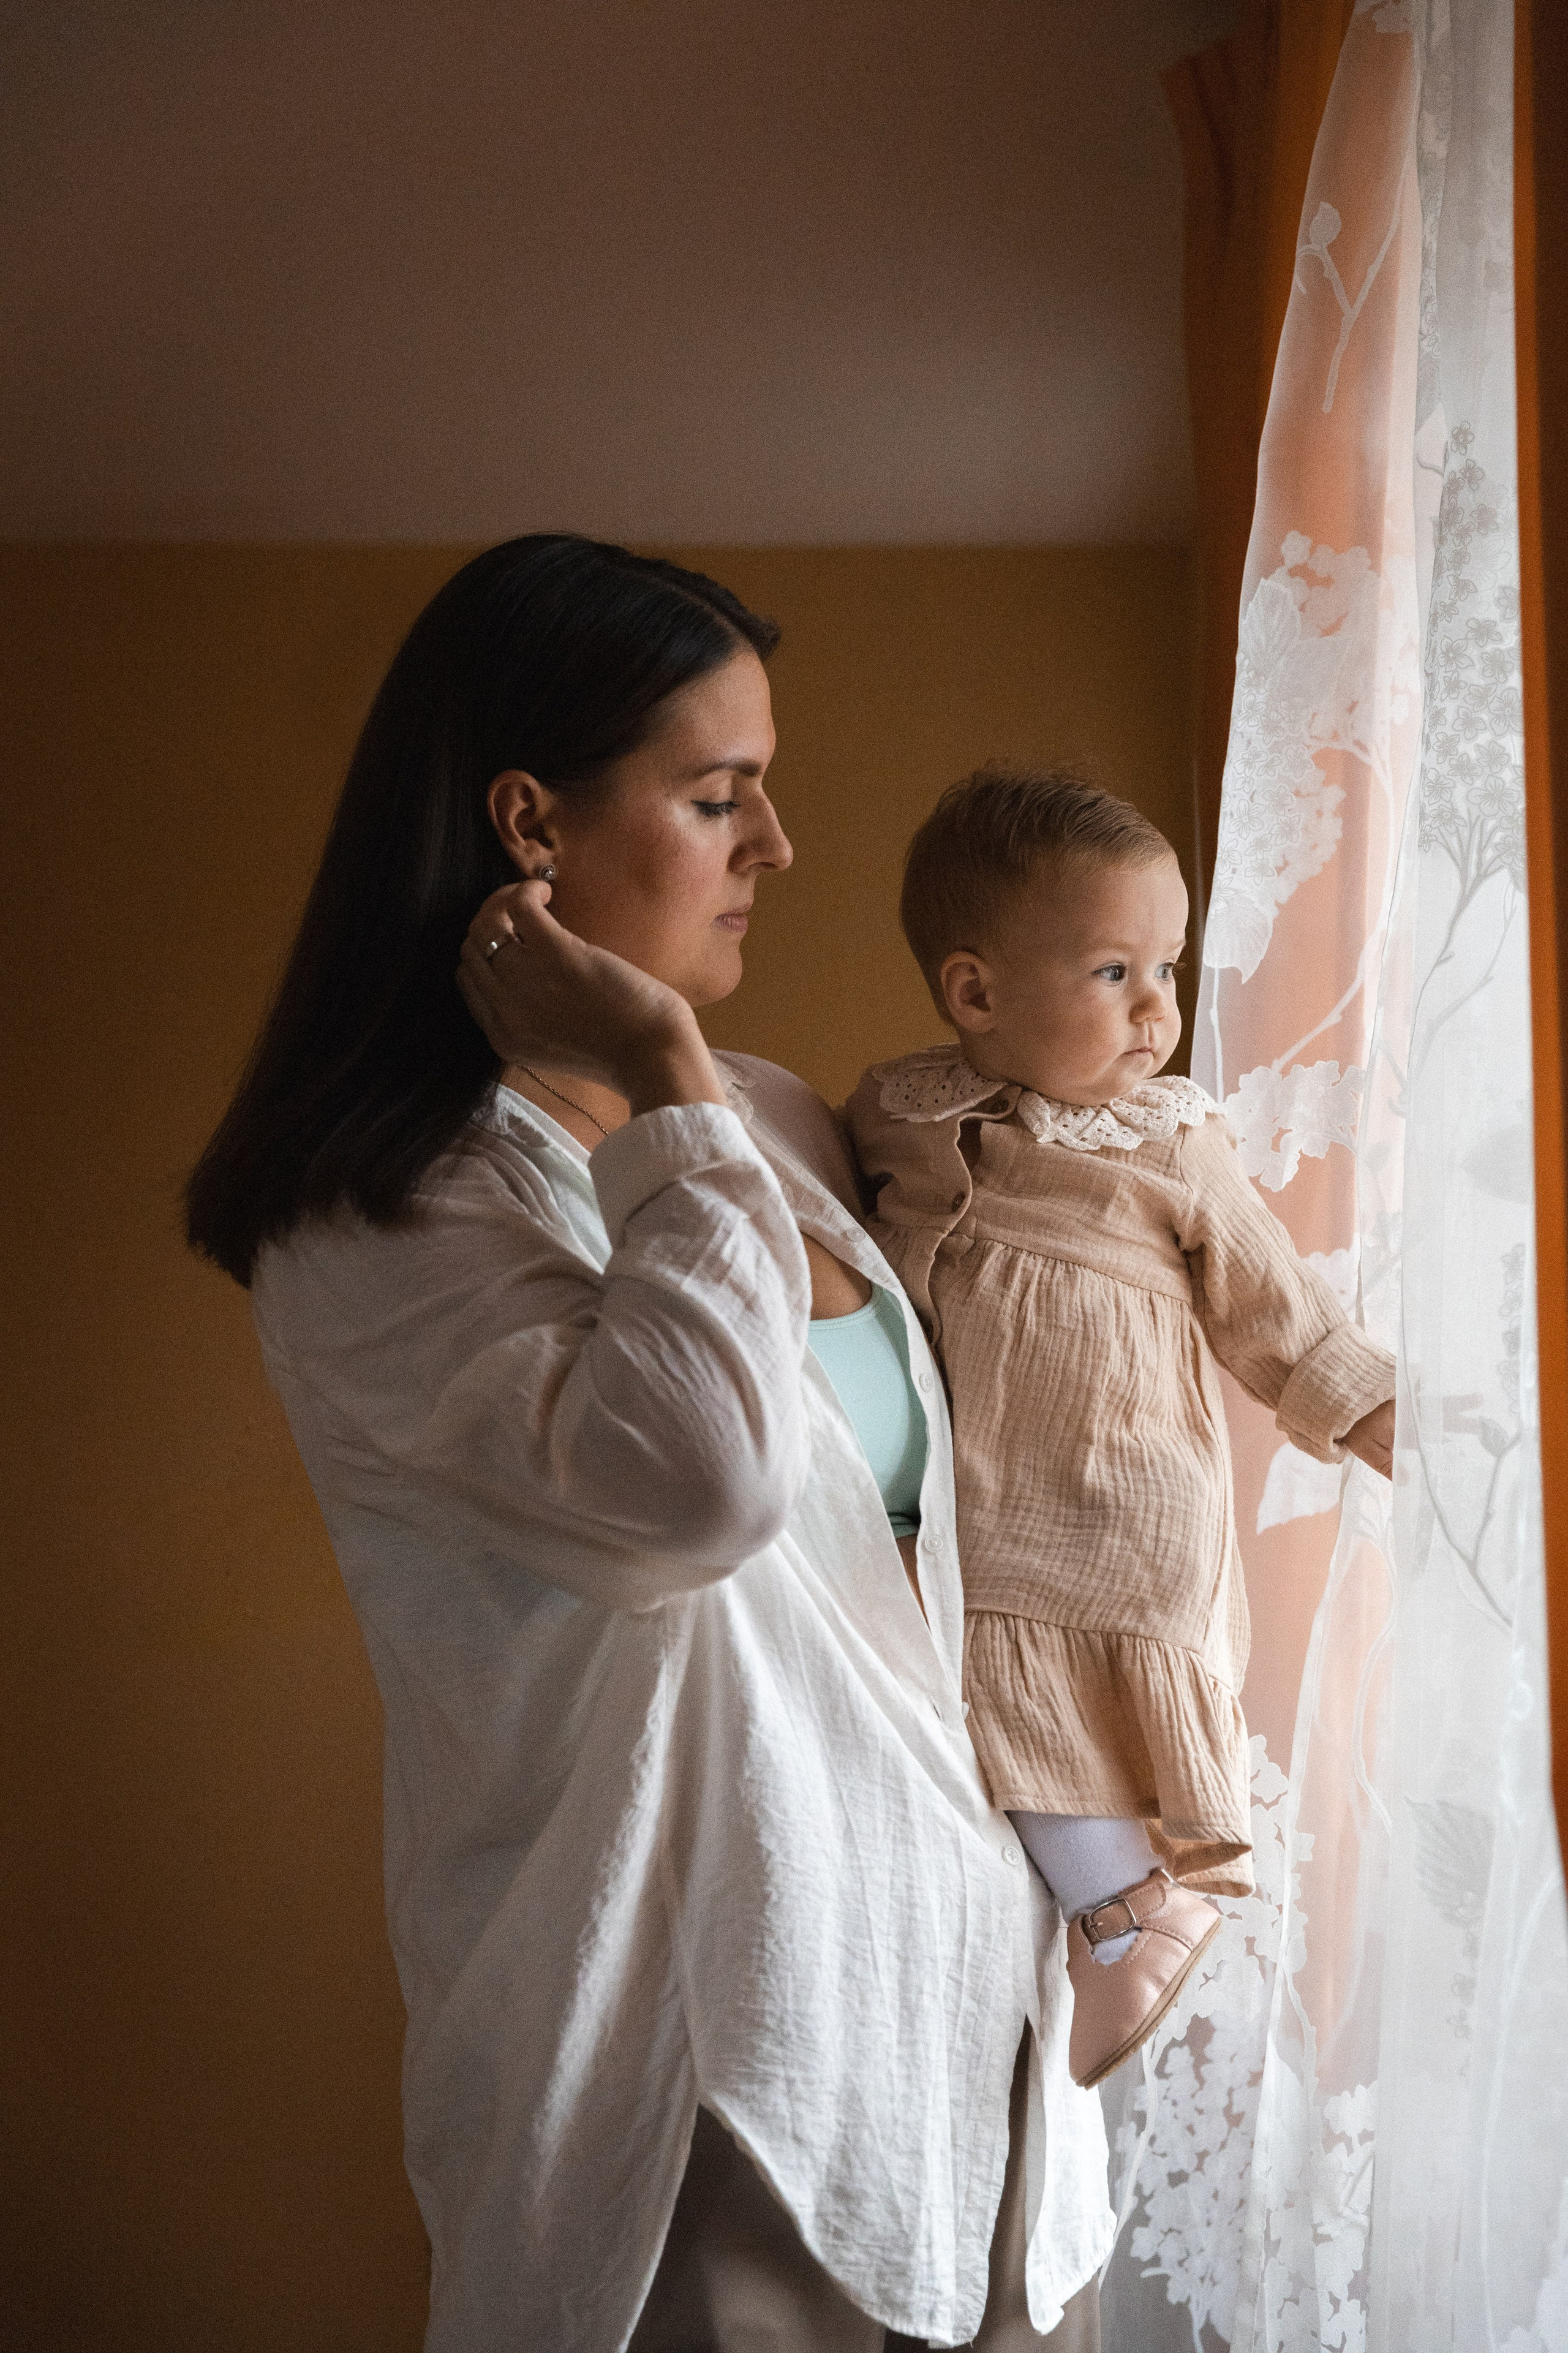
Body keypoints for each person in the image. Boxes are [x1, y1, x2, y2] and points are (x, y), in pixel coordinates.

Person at [185, 541, 1112, 2351]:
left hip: (974, 2030)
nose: (777, 847)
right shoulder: (385, 1219)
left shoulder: (768, 1116)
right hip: (699, 2080)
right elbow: (690, 1495)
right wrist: (669, 1084)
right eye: (718, 796)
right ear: (529, 826)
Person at [845, 765, 1396, 2091]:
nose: (1159, 1012)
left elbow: (1278, 1313)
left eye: (1168, 967)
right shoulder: (894, 1116)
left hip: (1120, 1496)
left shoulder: (1170, 1145)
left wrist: (1385, 1415)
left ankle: (1131, 1912)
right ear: (973, 994)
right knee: (979, 1700)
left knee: (1040, 1698)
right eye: (1114, 974)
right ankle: (1116, 1915)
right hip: (982, 1497)